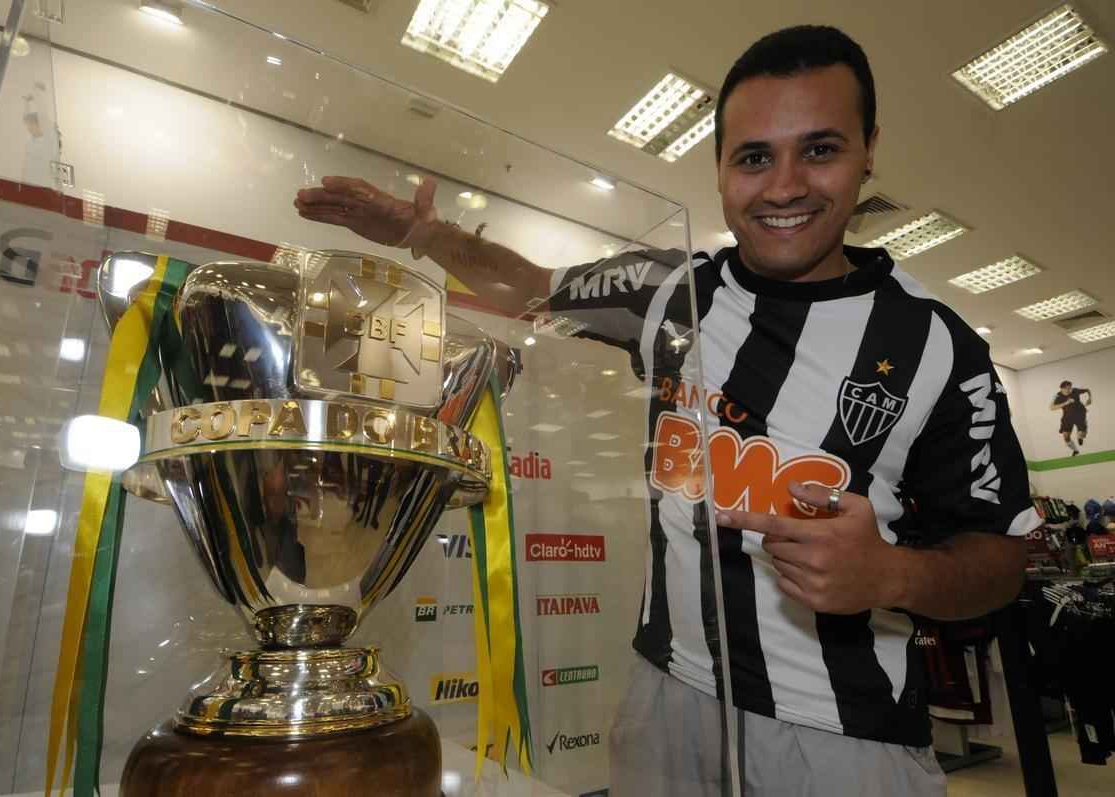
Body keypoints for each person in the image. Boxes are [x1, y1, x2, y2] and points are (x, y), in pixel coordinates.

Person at [294, 25, 1036, 797]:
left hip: (843, 737)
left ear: (869, 149)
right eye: (754, 157)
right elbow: (532, 286)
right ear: (719, 167)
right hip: (663, 700)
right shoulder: (667, 292)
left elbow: (1001, 559)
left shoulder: (938, 347)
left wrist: (892, 571)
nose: (784, 186)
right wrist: (423, 234)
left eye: (820, 149)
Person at [1050, 380, 1092, 456]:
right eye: (1067, 388)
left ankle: (1080, 436)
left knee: (1082, 434)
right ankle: (1076, 451)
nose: (1069, 390)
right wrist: (1066, 403)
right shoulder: (1057, 396)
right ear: (1061, 389)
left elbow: (1088, 390)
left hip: (1080, 414)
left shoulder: (1075, 390)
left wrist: (1089, 398)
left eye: (1070, 388)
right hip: (1067, 417)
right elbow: (1052, 407)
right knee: (1066, 437)